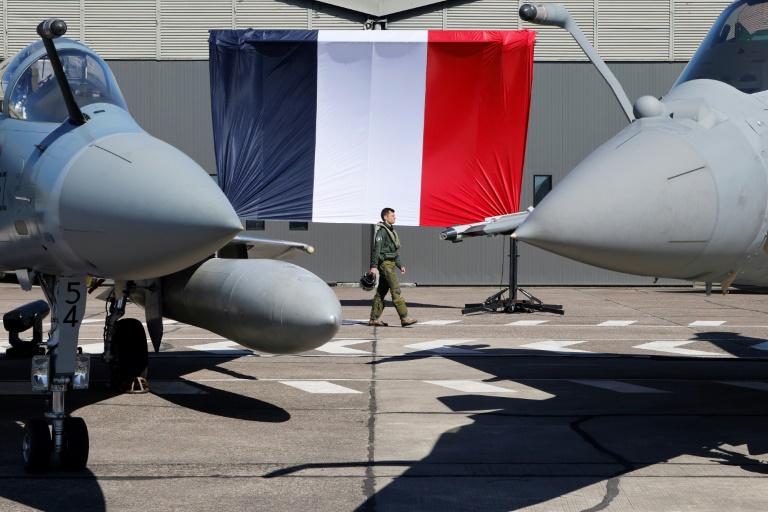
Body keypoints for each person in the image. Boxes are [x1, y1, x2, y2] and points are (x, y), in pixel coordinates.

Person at [369, 208, 417, 327]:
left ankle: (374, 318)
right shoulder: (382, 232)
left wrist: (400, 265)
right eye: (392, 215)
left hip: (391, 263)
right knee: (395, 289)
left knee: (381, 292)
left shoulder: (390, 231)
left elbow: (394, 252)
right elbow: (376, 250)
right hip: (385, 265)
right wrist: (374, 266)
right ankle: (404, 317)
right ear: (385, 217)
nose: (394, 217)